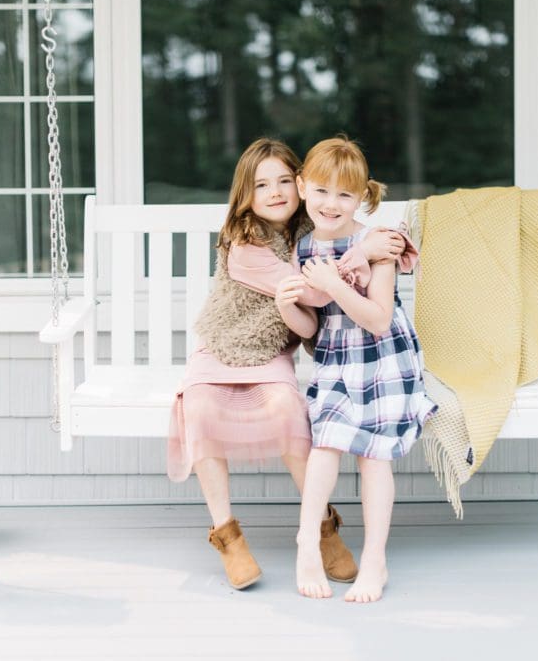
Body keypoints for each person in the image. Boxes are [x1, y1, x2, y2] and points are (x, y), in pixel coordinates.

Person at [167, 137, 409, 590]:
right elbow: (316, 292)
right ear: (246, 194)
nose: (275, 192)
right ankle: (228, 535)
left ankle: (322, 531)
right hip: (220, 350)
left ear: (299, 185)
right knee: (197, 410)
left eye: (283, 181)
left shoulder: (310, 231)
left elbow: (309, 321)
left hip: (270, 356)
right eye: (262, 185)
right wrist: (364, 253)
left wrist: (368, 245)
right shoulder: (245, 243)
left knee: (288, 412)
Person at [276, 136, 437, 603]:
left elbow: (378, 319)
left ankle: (375, 559)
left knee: (373, 457)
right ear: (304, 187)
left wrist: (334, 279)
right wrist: (290, 307)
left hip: (385, 360)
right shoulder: (302, 246)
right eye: (322, 191)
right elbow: (310, 321)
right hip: (335, 360)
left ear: (362, 196)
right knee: (325, 443)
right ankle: (308, 540)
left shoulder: (379, 243)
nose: (332, 204)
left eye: (345, 195)